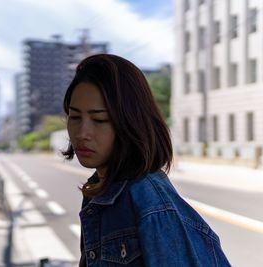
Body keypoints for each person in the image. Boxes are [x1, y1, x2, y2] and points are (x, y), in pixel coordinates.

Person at [62, 54, 231, 266]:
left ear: (130, 122)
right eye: (74, 117)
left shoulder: (149, 201)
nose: (82, 133)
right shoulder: (100, 188)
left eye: (100, 120)